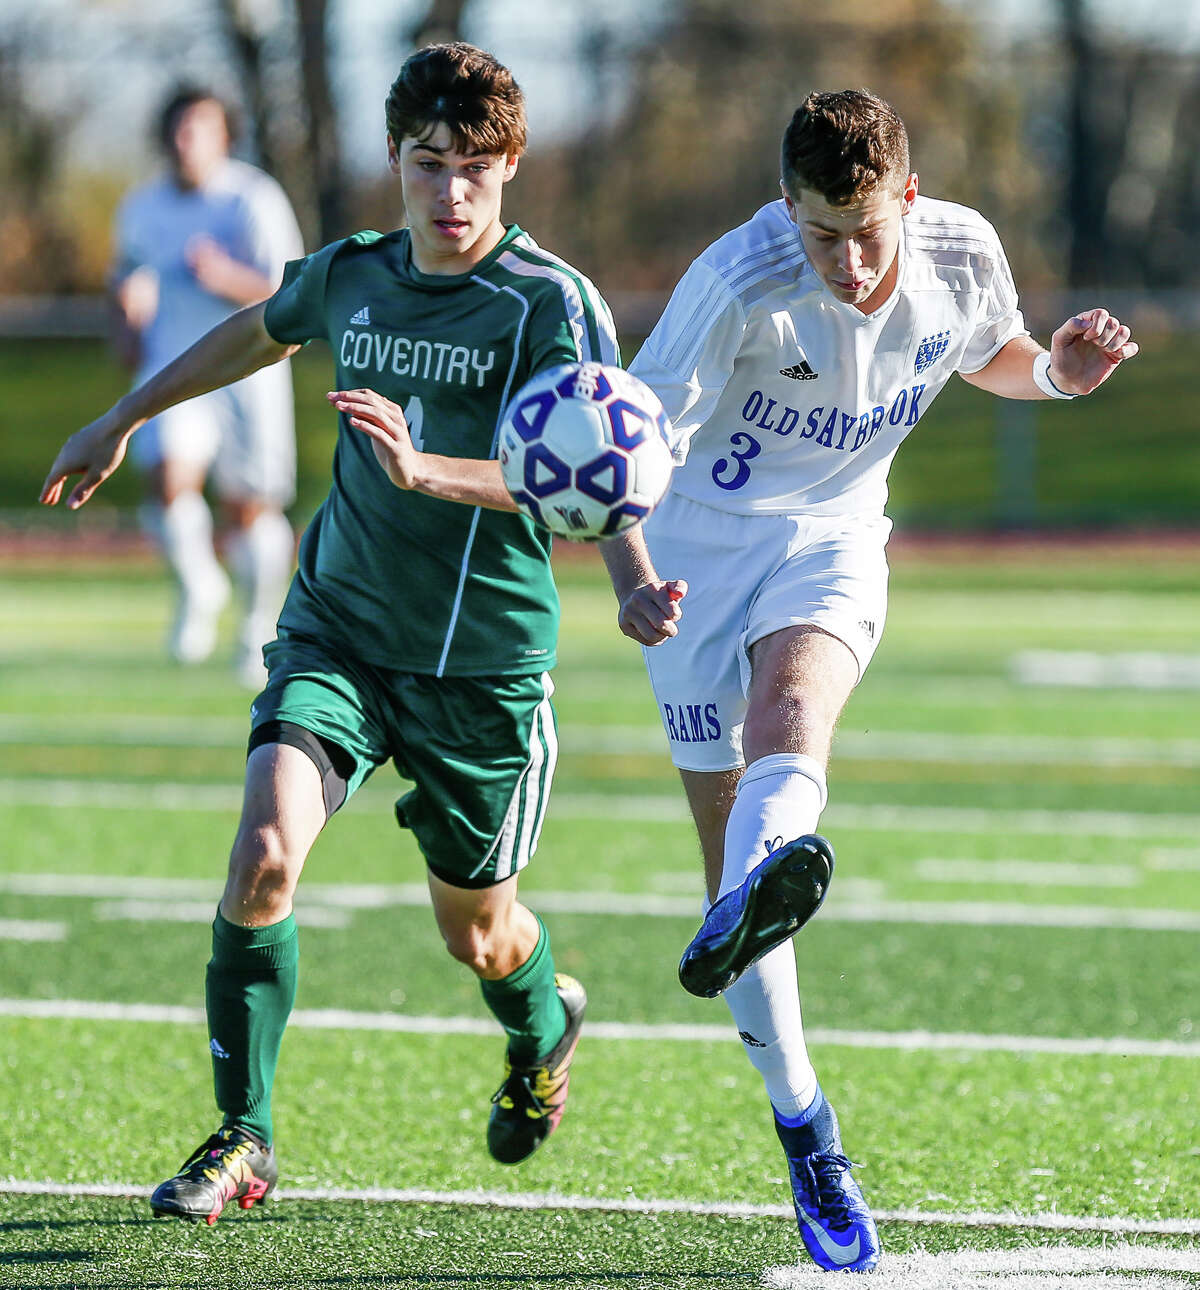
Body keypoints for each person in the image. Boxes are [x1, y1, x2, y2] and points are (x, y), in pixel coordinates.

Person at [41, 42, 618, 1224]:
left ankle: (547, 1025)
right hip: (339, 633)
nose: (449, 192)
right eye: (426, 163)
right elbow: (258, 328)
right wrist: (123, 414)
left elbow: (589, 481)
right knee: (262, 859)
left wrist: (431, 472)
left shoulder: (551, 304)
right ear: (397, 164)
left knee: (483, 937)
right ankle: (243, 1137)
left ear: (510, 166)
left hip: (483, 671)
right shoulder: (353, 273)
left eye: (473, 167)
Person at [599, 89, 1138, 1274]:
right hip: (691, 556)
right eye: (817, 234)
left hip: (833, 535)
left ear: (907, 192)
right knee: (728, 881)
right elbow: (614, 455)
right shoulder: (735, 283)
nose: (845, 262)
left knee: (792, 714)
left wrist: (1056, 376)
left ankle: (763, 875)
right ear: (785, 206)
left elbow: (987, 352)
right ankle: (802, 1118)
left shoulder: (961, 248)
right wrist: (631, 574)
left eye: (865, 232)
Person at [110, 86, 304, 688]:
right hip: (176, 369)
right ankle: (199, 586)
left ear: (225, 136)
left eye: (200, 128)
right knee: (168, 476)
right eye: (177, 128)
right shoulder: (142, 206)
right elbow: (126, 279)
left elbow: (291, 291)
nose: (185, 140)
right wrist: (128, 321)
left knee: (251, 510)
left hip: (250, 371)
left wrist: (223, 276)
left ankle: (255, 630)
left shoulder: (253, 199)